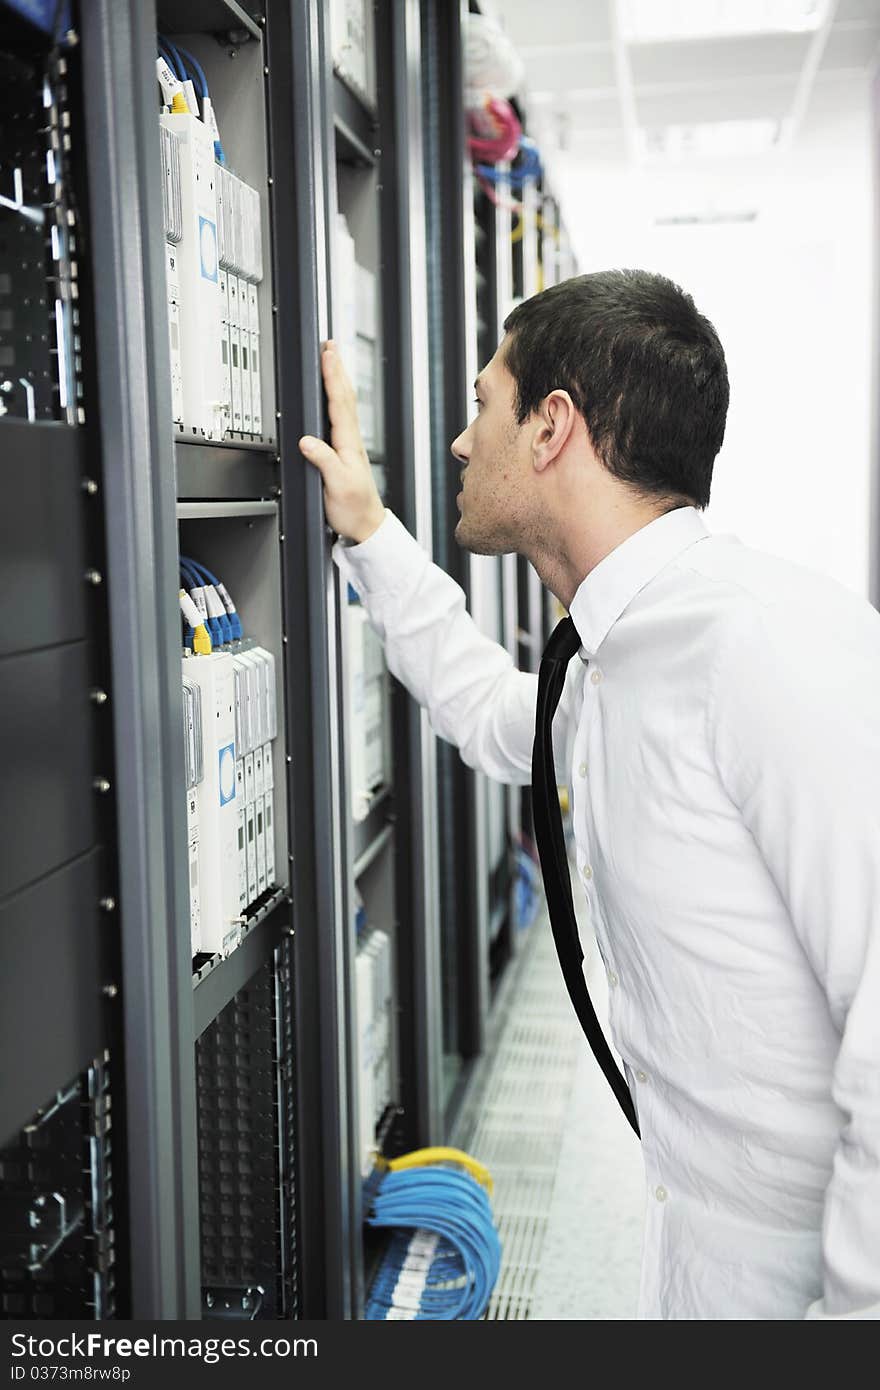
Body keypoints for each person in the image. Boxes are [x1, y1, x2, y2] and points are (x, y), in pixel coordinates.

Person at [298, 269, 880, 1321]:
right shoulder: (613, 666)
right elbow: (486, 708)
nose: (464, 442)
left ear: (552, 425)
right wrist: (370, 532)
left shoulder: (772, 646)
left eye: (485, 403)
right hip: (694, 1246)